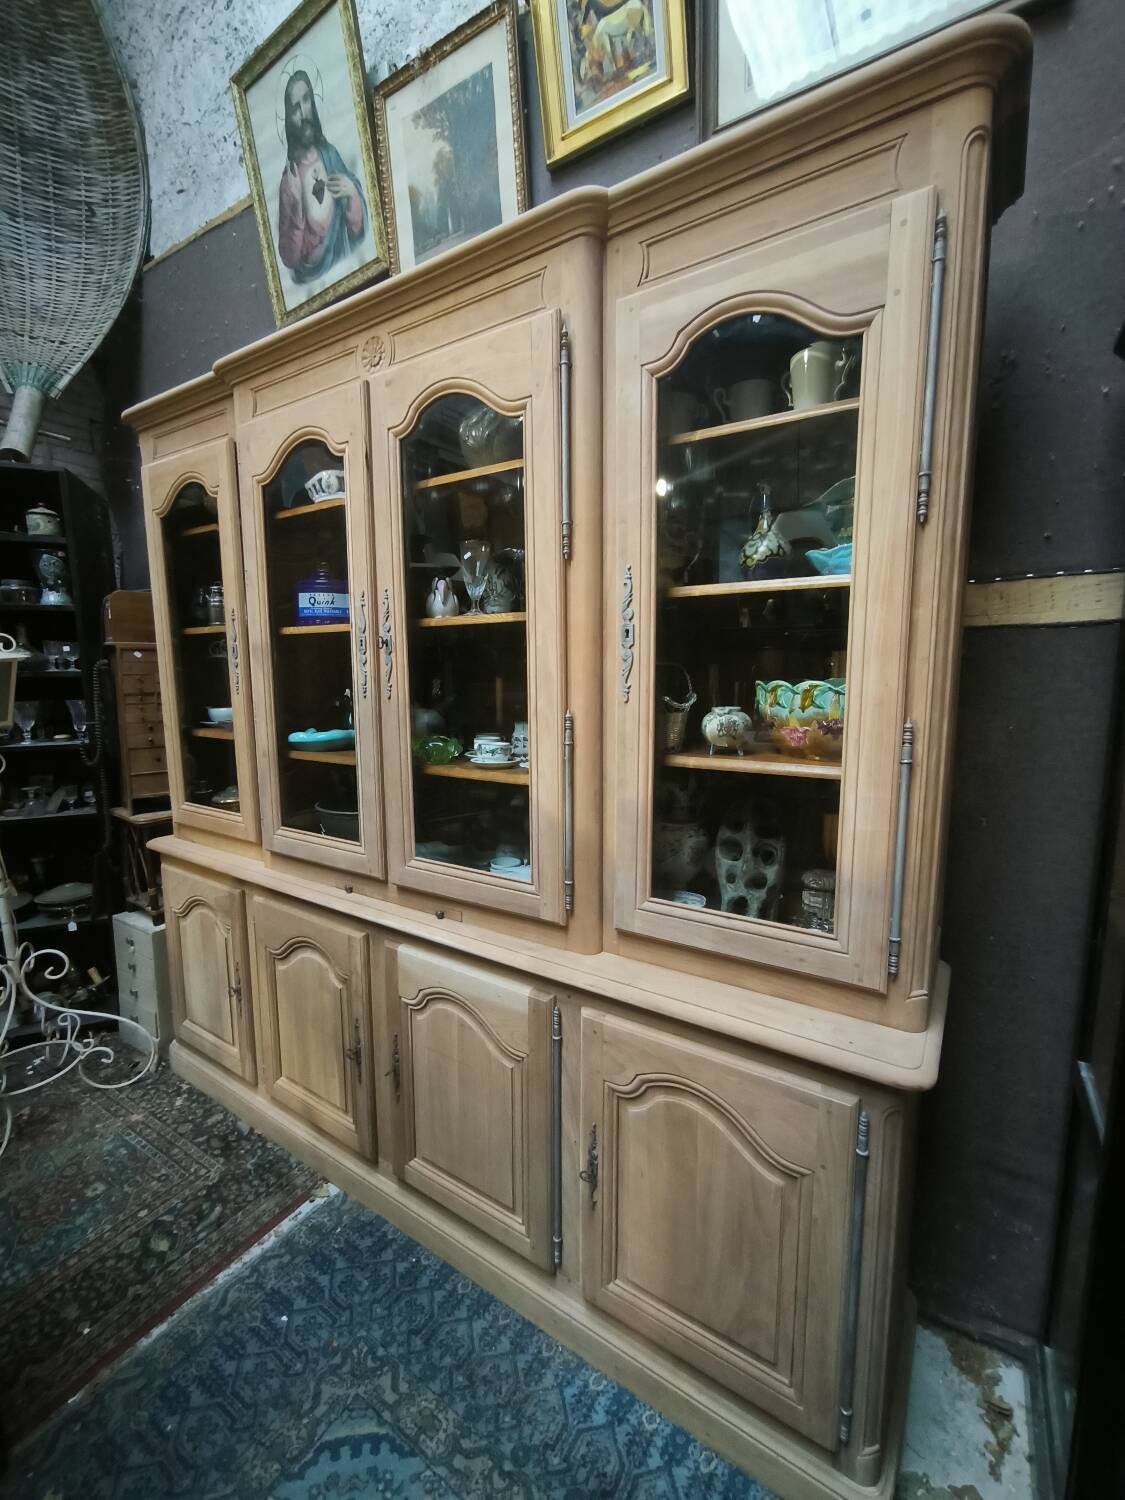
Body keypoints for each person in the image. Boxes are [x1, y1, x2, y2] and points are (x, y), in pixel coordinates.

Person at [277, 69, 366, 284]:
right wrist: (297, 207)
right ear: (288, 118)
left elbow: (357, 229)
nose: (303, 112)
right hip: (314, 280)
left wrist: (352, 192)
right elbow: (290, 258)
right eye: (295, 107)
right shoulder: (289, 181)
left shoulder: (330, 155)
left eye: (306, 100)